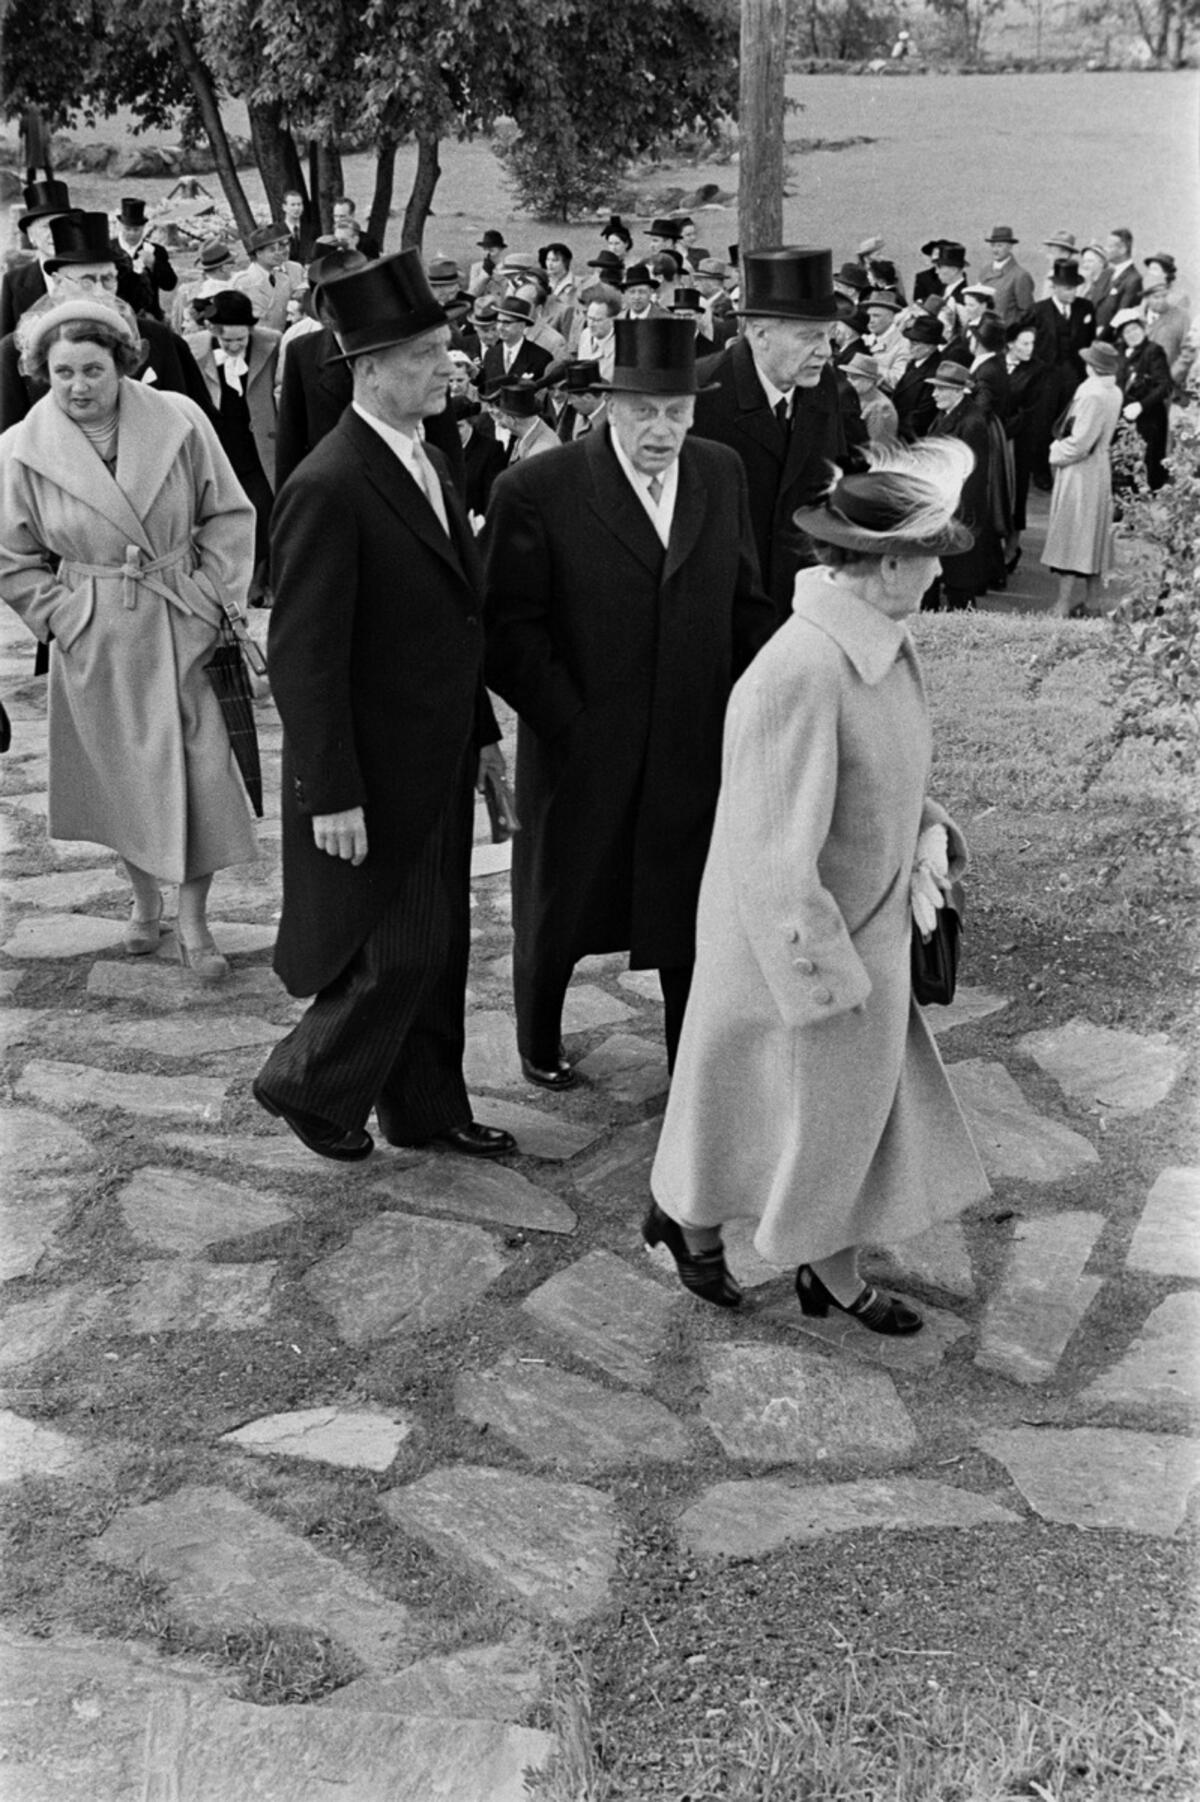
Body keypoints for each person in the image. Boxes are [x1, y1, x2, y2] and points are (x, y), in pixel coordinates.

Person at [646, 437, 989, 1324]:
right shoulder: (801, 671)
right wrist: (828, 980)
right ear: (881, 565)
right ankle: (694, 1229)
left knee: (837, 1123)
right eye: (926, 557)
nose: (937, 574)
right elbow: (771, 849)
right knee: (758, 1115)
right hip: (796, 946)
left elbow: (878, 776)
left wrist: (926, 826)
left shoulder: (876, 642)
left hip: (855, 927)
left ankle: (824, 1271)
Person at [252, 250, 514, 1163]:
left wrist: (482, 742)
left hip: (438, 754)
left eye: (446, 348)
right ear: (367, 371)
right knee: (393, 952)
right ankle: (307, 1085)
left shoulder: (432, 461)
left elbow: (458, 622)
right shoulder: (328, 484)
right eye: (423, 354)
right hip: (369, 770)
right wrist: (330, 793)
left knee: (438, 948)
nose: (447, 366)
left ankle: (424, 1107)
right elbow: (304, 658)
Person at [482, 317, 773, 1085]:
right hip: (580, 744)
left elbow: (744, 603)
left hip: (693, 738)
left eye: (678, 411)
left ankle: (692, 1056)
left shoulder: (721, 472)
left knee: (690, 903)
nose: (663, 429)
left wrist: (766, 700)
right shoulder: (536, 489)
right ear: (607, 405)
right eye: (644, 411)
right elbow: (509, 631)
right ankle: (538, 1038)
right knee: (560, 905)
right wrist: (570, 721)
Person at [0, 298, 259, 981]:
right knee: (122, 781)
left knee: (203, 774)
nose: (78, 385)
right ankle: (144, 900)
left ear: (122, 364)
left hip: (182, 620)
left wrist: (209, 599)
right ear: (41, 374)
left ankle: (194, 922)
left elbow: (229, 514)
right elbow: (10, 556)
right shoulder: (21, 449)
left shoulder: (180, 419)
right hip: (96, 635)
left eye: (92, 368)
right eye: (61, 373)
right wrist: (60, 616)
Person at [691, 247, 845, 627]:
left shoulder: (822, 383)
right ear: (760, 334)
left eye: (828, 336)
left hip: (802, 610)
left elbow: (831, 483)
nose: (824, 351)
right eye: (810, 336)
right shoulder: (700, 393)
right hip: (722, 616)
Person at [187, 289, 279, 600]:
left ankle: (256, 586)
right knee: (222, 521)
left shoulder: (273, 344)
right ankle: (223, 587)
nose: (236, 346)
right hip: (219, 449)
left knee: (263, 513)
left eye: (242, 339)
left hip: (258, 449)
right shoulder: (194, 349)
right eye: (228, 341)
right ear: (213, 331)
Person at [1041, 339, 1123, 618]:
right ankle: (1092, 601)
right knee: (1094, 537)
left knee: (1073, 536)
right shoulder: (1113, 392)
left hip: (1081, 472)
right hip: (1099, 469)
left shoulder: (1093, 395)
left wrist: (1055, 451)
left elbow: (1080, 443)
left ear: (1092, 366)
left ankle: (1062, 604)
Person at [924, 362, 992, 610]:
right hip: (942, 505)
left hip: (958, 511)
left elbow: (971, 478)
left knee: (959, 583)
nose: (934, 394)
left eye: (940, 389)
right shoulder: (948, 413)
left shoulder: (972, 423)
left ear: (958, 391)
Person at [1004, 317, 1051, 570]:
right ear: (1010, 344)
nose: (1029, 348)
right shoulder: (998, 365)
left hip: (1020, 441)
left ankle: (1012, 549)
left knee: (1017, 495)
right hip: (999, 438)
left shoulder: (1038, 371)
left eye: (1032, 343)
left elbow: (1032, 411)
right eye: (1024, 343)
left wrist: (1005, 429)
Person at [0, 180, 74, 335]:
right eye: (46, 226)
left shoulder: (90, 275)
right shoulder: (14, 282)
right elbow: (4, 341)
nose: (54, 233)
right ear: (32, 236)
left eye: (60, 224)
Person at [1113, 309, 1172, 492]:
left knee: (1147, 463)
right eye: (1127, 331)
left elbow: (1164, 385)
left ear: (1143, 329)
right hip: (1126, 418)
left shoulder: (1153, 351)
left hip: (1149, 418)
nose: (1133, 334)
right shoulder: (1121, 354)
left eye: (1135, 329)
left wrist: (1141, 405)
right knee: (1126, 462)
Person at [112, 197, 177, 321]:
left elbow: (170, 284)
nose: (132, 233)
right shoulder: (110, 250)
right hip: (118, 316)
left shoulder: (155, 250)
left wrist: (154, 264)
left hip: (150, 317)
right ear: (121, 226)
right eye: (127, 229)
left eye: (136, 230)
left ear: (143, 228)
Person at [232, 223, 302, 334]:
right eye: (272, 250)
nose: (279, 252)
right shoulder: (244, 281)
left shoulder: (283, 277)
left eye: (284, 246)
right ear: (258, 253)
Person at [982, 225, 1035, 327]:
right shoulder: (985, 271)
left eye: (999, 245)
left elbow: (1027, 312)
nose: (995, 250)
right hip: (985, 332)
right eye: (993, 245)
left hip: (1006, 334)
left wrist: (1013, 332)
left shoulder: (1020, 275)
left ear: (1010, 247)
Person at [1095, 228, 1142, 338]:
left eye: (1109, 246)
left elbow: (1121, 317)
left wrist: (1101, 335)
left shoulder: (1134, 279)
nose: (1105, 249)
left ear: (1123, 249)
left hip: (1108, 341)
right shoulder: (1105, 274)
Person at [844, 352, 898, 441]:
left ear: (870, 380)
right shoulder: (855, 395)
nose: (848, 381)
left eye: (854, 377)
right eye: (848, 376)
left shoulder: (881, 408)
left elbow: (877, 447)